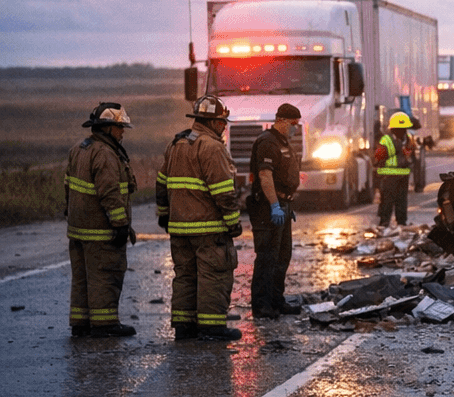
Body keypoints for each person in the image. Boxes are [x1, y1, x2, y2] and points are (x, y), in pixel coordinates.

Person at [157, 95, 243, 341]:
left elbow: (161, 182)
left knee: (185, 276)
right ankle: (212, 328)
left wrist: (164, 215)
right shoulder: (213, 148)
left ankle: (184, 328)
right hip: (209, 228)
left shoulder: (176, 144)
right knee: (214, 275)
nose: (224, 127)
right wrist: (233, 223)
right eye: (223, 122)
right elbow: (223, 192)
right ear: (214, 122)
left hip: (179, 228)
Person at [65, 102, 138, 337]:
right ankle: (105, 324)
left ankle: (81, 323)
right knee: (105, 275)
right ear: (107, 128)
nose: (123, 132)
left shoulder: (80, 148)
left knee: (82, 278)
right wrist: (120, 225)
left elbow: (68, 186)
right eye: (119, 128)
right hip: (100, 231)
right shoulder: (105, 154)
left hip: (78, 230)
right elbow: (110, 192)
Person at [249, 103, 302, 318]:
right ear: (281, 120)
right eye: (293, 124)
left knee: (282, 256)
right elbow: (265, 175)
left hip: (283, 206)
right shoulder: (267, 142)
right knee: (267, 258)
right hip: (267, 208)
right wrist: (274, 205)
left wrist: (287, 205)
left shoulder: (283, 142)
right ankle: (262, 305)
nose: (295, 128)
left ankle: (276, 301)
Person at [373, 111, 416, 227]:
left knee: (402, 200)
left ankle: (401, 222)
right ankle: (384, 222)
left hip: (403, 176)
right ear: (393, 129)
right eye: (399, 129)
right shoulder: (386, 140)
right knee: (387, 200)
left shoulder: (408, 139)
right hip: (389, 176)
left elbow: (411, 156)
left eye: (404, 129)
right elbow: (379, 157)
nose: (402, 131)